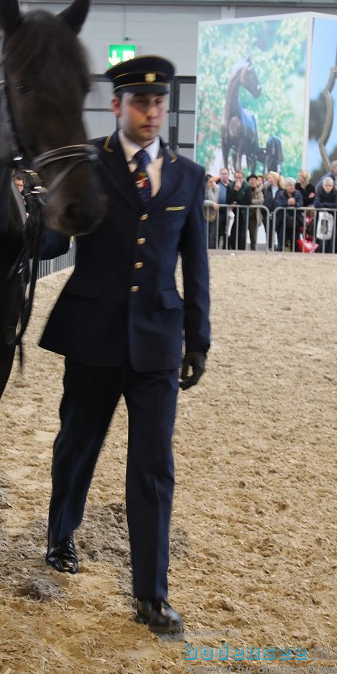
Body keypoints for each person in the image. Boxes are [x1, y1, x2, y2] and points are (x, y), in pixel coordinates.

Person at [40, 55, 210, 636]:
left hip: (159, 338)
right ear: (116, 105)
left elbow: (196, 264)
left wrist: (198, 337)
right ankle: (60, 533)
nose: (151, 111)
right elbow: (52, 237)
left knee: (153, 466)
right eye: (140, 102)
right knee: (77, 446)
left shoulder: (188, 175)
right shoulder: (87, 160)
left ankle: (150, 594)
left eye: (159, 102)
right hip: (93, 333)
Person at [313, 175, 337, 253]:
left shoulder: (335, 192)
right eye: (326, 185)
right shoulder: (319, 191)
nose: (328, 187)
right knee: (321, 239)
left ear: (332, 186)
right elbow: (316, 204)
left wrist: (324, 204)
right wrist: (328, 205)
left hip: (333, 219)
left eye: (330, 185)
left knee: (331, 239)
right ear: (323, 185)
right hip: (321, 219)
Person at [227, 170, 251, 251]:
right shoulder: (230, 185)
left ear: (243, 178)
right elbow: (228, 200)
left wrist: (237, 203)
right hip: (234, 213)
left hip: (243, 213)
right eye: (236, 177)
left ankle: (241, 249)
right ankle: (233, 247)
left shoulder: (247, 186)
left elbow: (248, 201)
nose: (238, 179)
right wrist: (235, 190)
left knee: (242, 233)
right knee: (233, 231)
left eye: (240, 177)